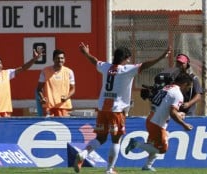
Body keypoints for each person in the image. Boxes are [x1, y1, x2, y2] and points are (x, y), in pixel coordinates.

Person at [74, 42, 171, 174]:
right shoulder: (126, 70)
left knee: (100, 138)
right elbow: (145, 65)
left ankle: (84, 153)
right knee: (116, 140)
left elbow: (94, 61)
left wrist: (85, 53)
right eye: (128, 58)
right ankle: (109, 169)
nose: (129, 61)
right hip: (116, 110)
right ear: (124, 58)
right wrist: (161, 57)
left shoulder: (106, 67)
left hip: (103, 109)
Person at [125, 72, 194, 172]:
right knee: (162, 149)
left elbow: (164, 106)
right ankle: (136, 144)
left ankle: (147, 166)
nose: (188, 89)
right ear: (184, 83)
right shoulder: (178, 94)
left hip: (152, 118)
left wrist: (178, 114)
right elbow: (172, 112)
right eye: (189, 86)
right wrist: (184, 124)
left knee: (154, 146)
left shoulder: (167, 88)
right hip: (157, 123)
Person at [0, 51, 42, 117]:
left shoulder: (7, 74)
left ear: (2, 65)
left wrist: (34, 59)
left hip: (6, 111)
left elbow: (23, 68)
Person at [36, 49, 75, 117]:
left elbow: (73, 89)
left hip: (64, 107)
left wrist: (66, 97)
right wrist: (42, 98)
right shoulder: (45, 71)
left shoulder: (69, 72)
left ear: (64, 59)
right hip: (49, 107)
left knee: (63, 127)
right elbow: (39, 89)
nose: (60, 60)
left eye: (62, 58)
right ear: (53, 59)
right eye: (57, 58)